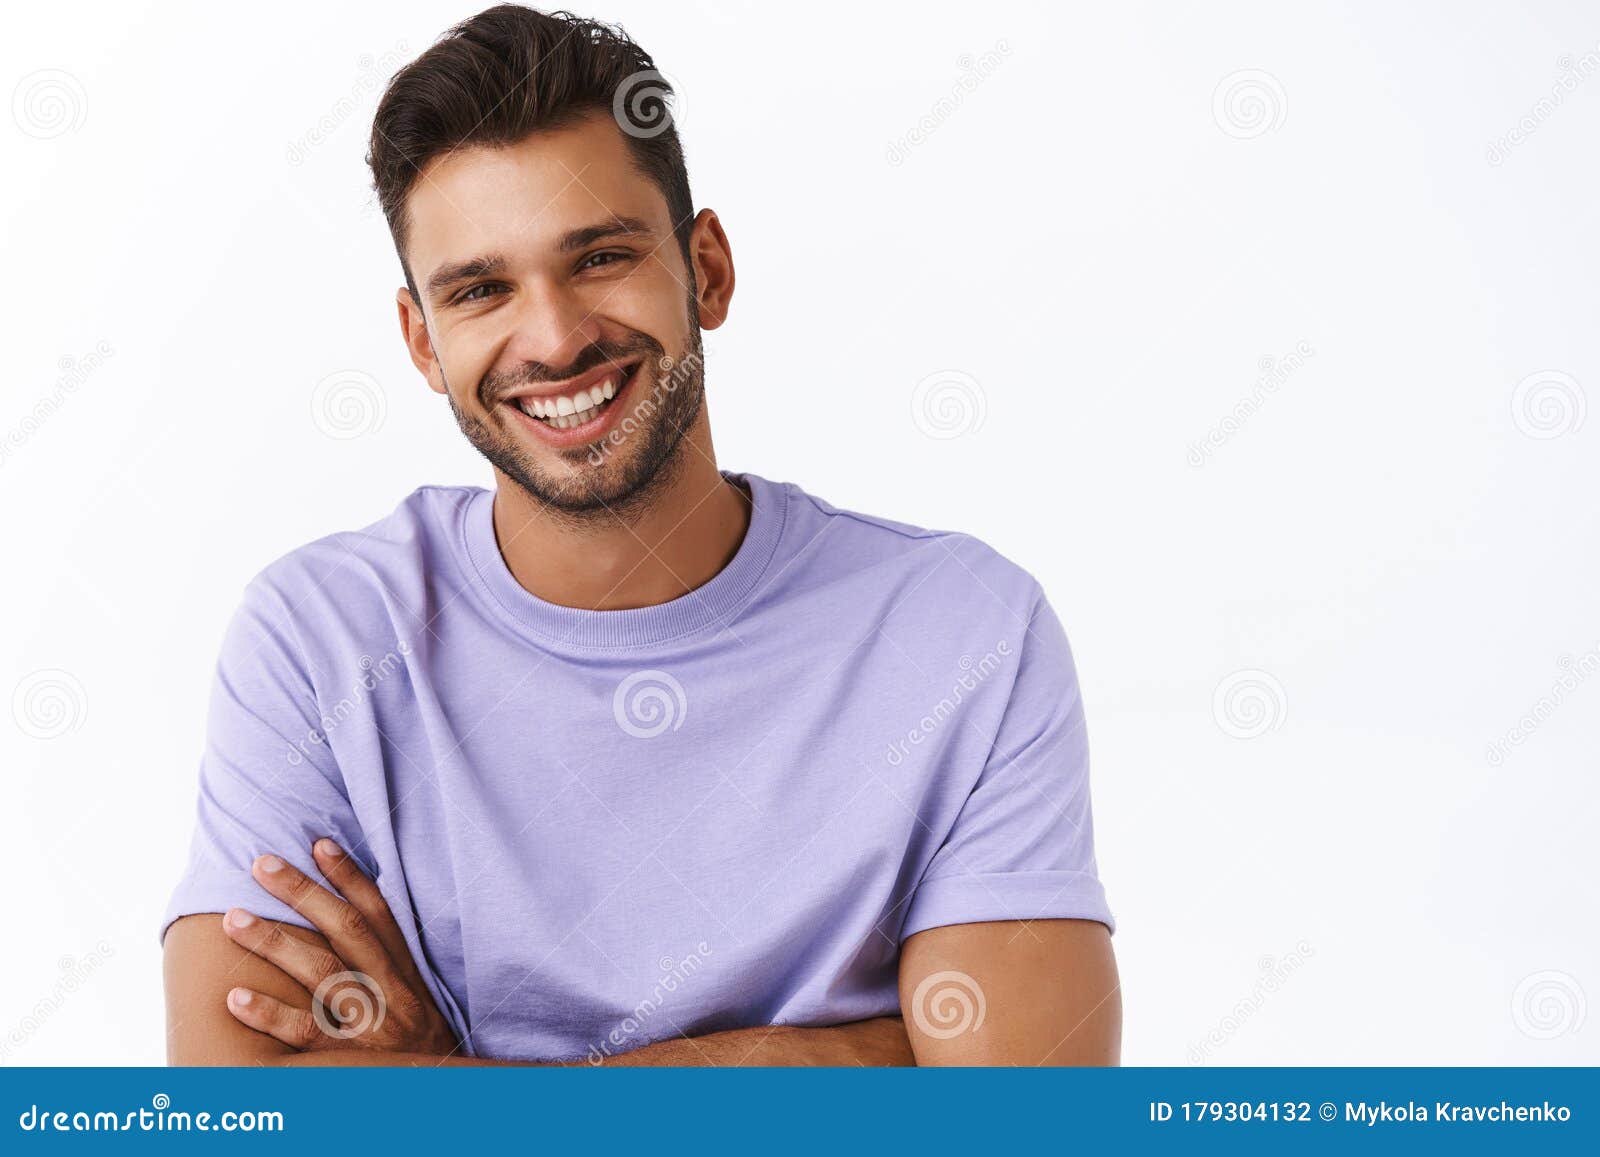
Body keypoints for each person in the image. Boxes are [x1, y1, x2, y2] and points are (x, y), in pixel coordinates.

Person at [162, 4, 1119, 1066]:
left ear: (705, 267)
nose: (558, 337)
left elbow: (1028, 1115)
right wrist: (828, 1058)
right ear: (421, 342)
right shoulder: (319, 639)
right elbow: (233, 1116)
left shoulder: (961, 630)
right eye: (481, 289)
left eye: (601, 256)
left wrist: (442, 1083)